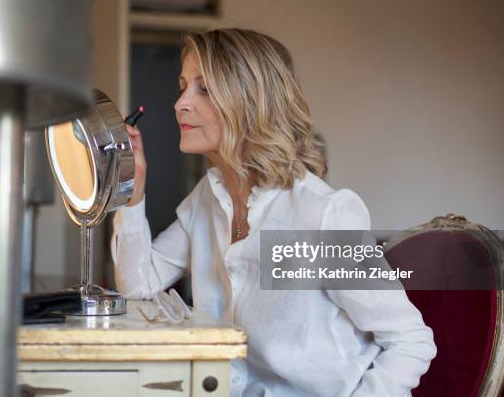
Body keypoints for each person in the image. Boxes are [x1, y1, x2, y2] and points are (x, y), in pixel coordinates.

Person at [111, 28, 436, 397]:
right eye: (182, 86)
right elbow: (139, 284)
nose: (180, 103)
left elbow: (409, 340)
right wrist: (131, 188)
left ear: (250, 101)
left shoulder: (322, 214)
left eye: (203, 89)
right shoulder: (207, 198)